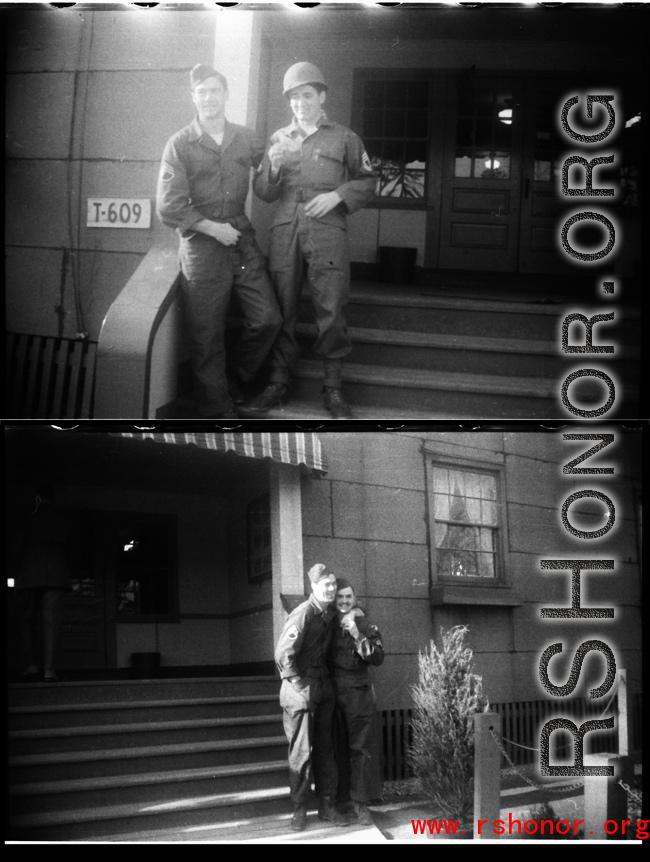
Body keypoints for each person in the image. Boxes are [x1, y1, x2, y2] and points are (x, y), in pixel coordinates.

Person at [240, 62, 376, 419]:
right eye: (294, 97)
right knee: (282, 305)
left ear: (321, 96)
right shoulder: (279, 139)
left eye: (307, 95)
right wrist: (271, 165)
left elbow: (367, 180)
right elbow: (264, 192)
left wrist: (337, 196)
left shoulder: (344, 137)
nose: (300, 103)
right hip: (286, 224)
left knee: (330, 305)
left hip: (328, 225)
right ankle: (278, 382)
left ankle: (332, 388)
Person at [156, 64, 282, 418]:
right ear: (193, 97)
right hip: (203, 246)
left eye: (214, 90)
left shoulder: (246, 137)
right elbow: (169, 207)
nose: (208, 98)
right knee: (206, 335)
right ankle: (218, 410)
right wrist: (212, 228)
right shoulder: (180, 143)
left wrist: (276, 165)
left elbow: (267, 188)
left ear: (226, 95)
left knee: (267, 318)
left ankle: (234, 378)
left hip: (241, 240)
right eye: (202, 92)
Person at [274, 563, 350, 831]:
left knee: (326, 750)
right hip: (301, 689)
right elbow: (284, 652)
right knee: (302, 753)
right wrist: (297, 682)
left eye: (333, 584)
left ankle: (327, 805)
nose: (331, 589)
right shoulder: (304, 612)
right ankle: (299, 809)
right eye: (325, 585)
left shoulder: (328, 614)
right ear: (313, 587)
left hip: (323, 687)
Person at [329, 578, 384, 825]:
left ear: (355, 598)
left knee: (359, 749)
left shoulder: (365, 624)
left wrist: (355, 632)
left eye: (348, 596)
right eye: (339, 597)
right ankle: (340, 802)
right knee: (334, 748)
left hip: (357, 693)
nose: (343, 601)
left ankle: (361, 804)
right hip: (331, 692)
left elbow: (378, 657)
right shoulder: (328, 623)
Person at [16, 486, 72, 682]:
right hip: (57, 569)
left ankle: (32, 664)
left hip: (30, 569)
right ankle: (49, 669)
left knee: (26, 620)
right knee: (51, 621)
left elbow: (17, 545)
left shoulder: (28, 516)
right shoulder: (64, 517)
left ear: (37, 498)